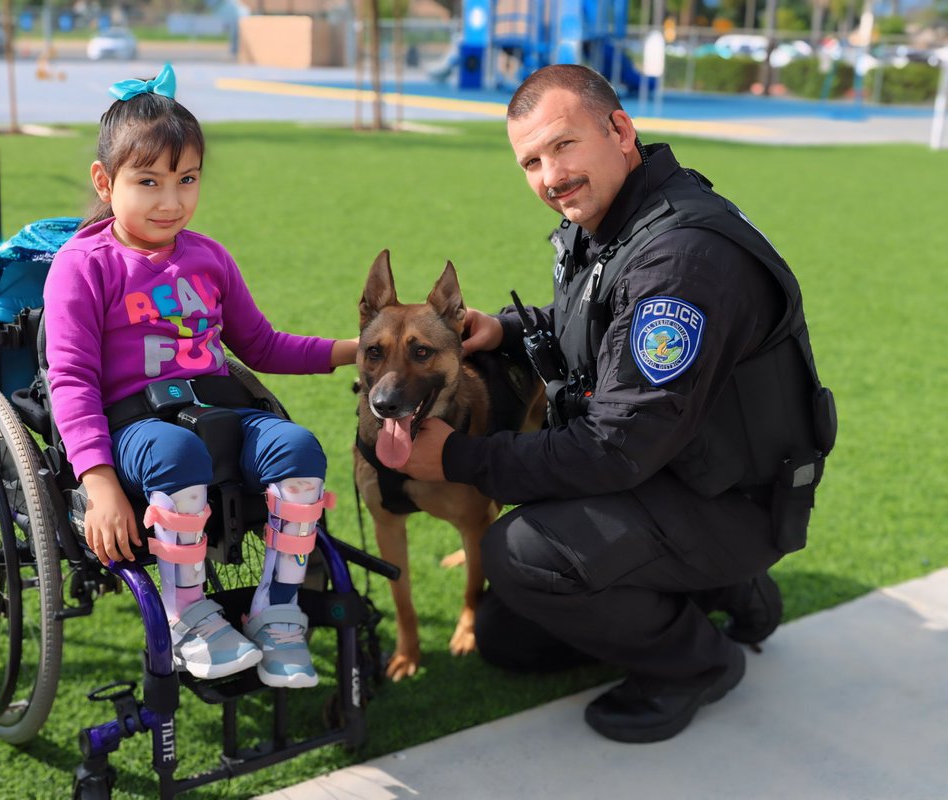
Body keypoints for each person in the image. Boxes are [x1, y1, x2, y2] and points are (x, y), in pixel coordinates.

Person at [400, 64, 835, 742]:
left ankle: (697, 662)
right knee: (508, 638)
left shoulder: (681, 260)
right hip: (687, 472)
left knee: (522, 554)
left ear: (620, 130)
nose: (551, 175)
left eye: (565, 145)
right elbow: (605, 318)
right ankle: (717, 592)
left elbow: (616, 448)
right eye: (532, 161)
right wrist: (510, 329)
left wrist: (459, 457)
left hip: (728, 499)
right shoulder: (618, 215)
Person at [43, 65, 357, 689]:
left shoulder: (208, 257)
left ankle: (277, 611)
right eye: (149, 181)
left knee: (297, 446)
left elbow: (261, 344)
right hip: (136, 425)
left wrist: (354, 350)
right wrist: (100, 484)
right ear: (106, 182)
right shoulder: (83, 265)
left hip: (220, 408)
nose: (171, 201)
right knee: (176, 451)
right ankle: (186, 615)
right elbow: (71, 379)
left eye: (187, 180)